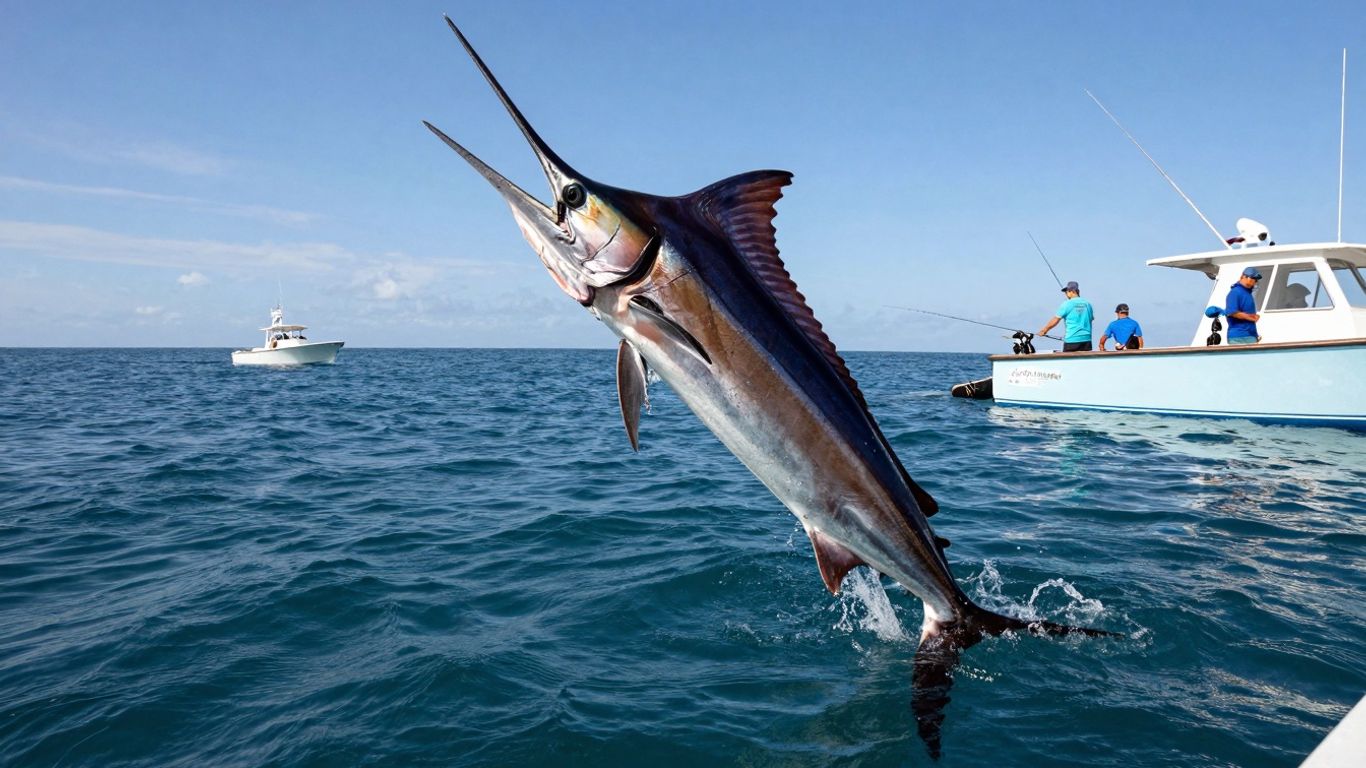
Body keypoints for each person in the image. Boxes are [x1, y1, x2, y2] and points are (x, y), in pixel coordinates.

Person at [1038, 280, 1094, 352]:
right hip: (1087, 340)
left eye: (1066, 291)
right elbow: (1091, 319)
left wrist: (1044, 330)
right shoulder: (1088, 304)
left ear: (1072, 291)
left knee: (1070, 363)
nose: (1066, 294)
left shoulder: (1067, 304)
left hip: (1072, 340)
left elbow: (1056, 319)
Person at [1224, 267, 1262, 344]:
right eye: (1253, 278)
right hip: (1238, 337)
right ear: (1243, 277)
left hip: (1250, 336)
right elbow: (1232, 312)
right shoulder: (1235, 292)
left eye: (1255, 279)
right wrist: (1252, 317)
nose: (1254, 281)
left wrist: (1255, 335)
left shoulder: (1247, 293)